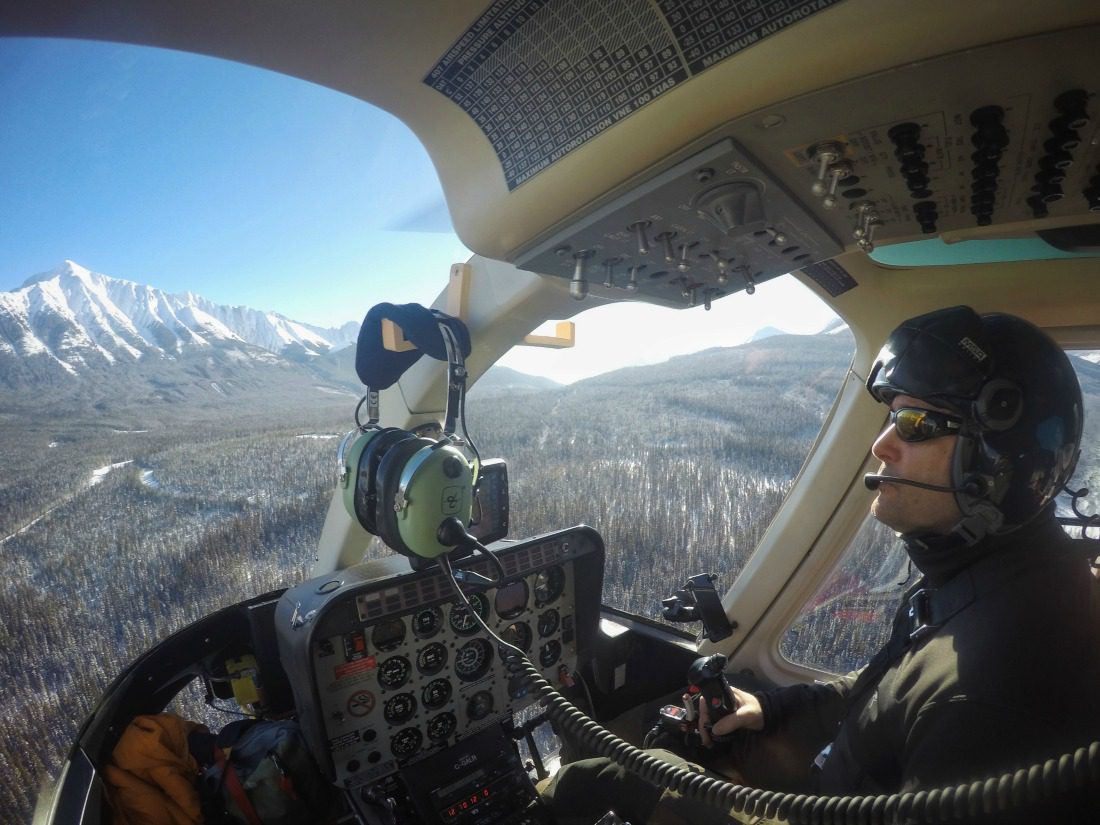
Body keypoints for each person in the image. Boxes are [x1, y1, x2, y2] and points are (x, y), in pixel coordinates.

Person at [541, 306, 1100, 823]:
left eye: (914, 424)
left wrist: (683, 795)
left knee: (610, 778)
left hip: (830, 801)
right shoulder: (985, 579)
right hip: (840, 778)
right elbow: (887, 687)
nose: (882, 445)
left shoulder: (994, 697)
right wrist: (770, 706)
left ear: (997, 457)